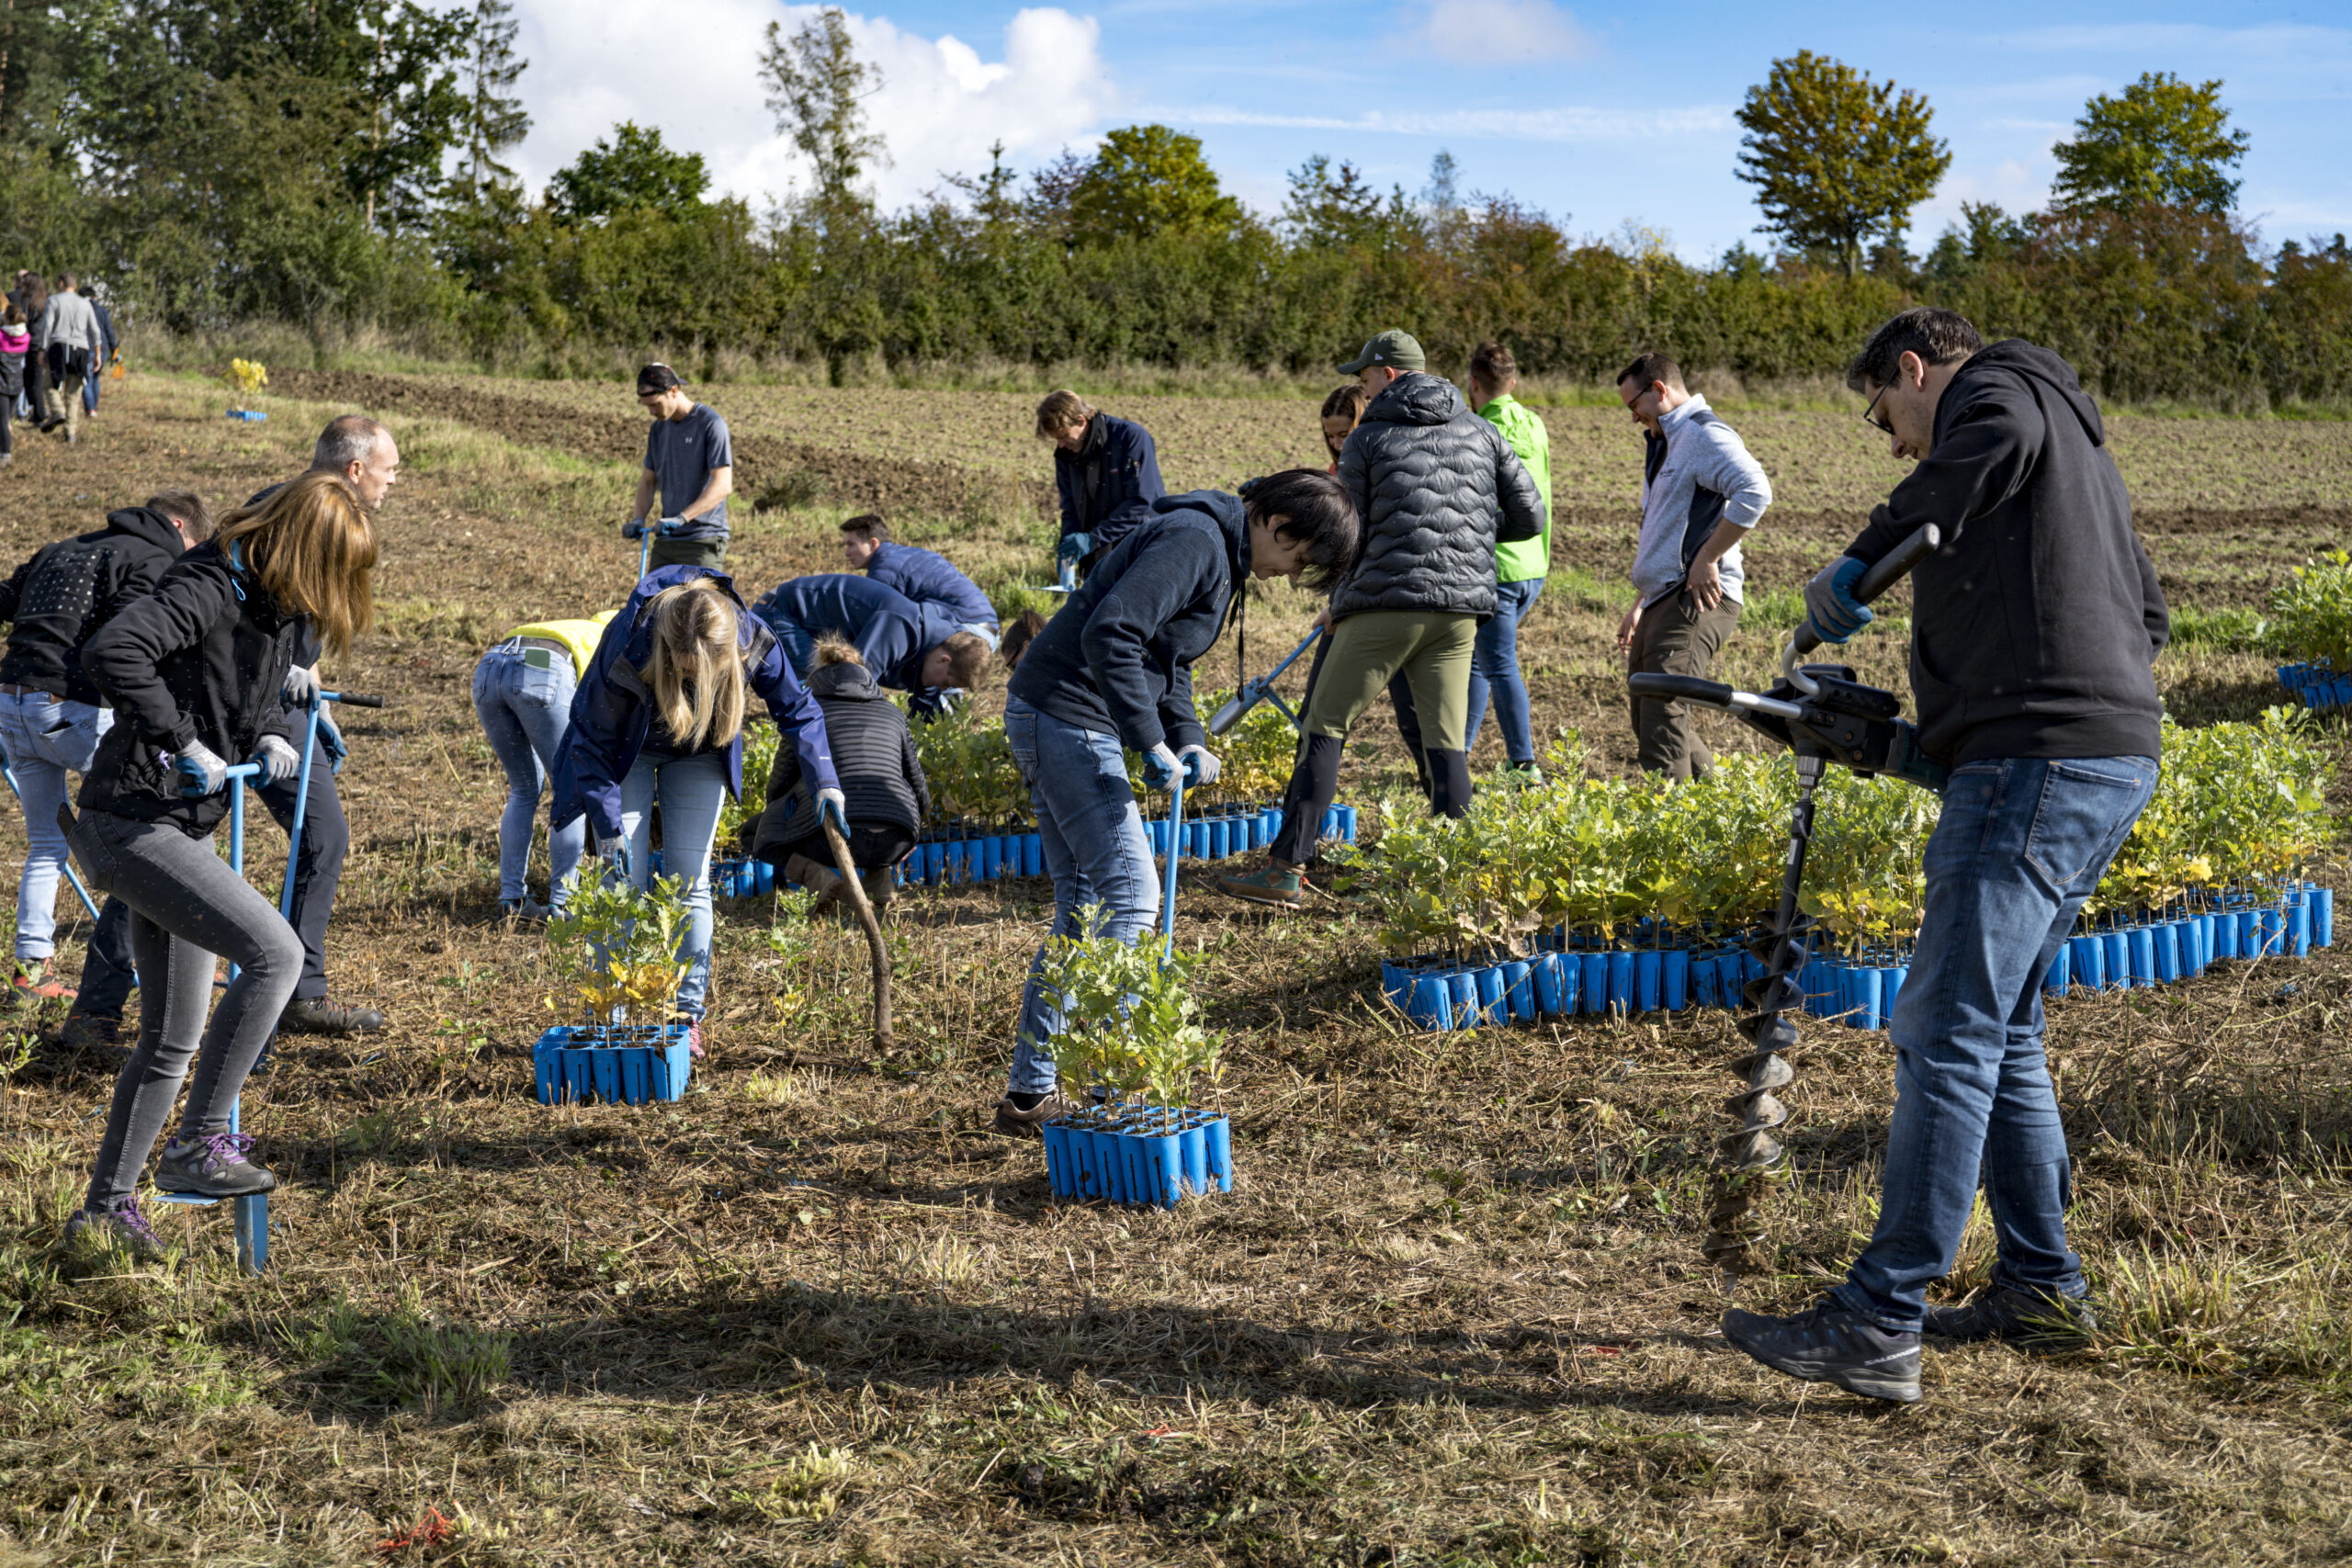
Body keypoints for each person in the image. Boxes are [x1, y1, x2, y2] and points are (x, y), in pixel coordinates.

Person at [1720, 309, 2168, 1404]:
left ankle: (1879, 1314)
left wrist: (1861, 565)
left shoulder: (2000, 395)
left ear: (1913, 370)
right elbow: (2142, 621)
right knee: (2003, 1029)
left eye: (1888, 416)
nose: (1896, 443)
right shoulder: (2080, 454)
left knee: (1943, 1024)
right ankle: (2039, 1285)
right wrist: (1945, 741)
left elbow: (1983, 444)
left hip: (2038, 766)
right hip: (2099, 757)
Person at [61, 472, 377, 1261]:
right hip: (130, 820)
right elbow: (114, 650)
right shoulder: (208, 583)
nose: (336, 592)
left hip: (175, 826)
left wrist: (273, 730)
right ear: (307, 550)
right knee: (275, 953)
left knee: (172, 1039)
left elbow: (247, 691)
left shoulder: (267, 605)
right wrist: (181, 741)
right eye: (335, 569)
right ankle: (200, 1140)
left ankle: (104, 1211)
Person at [995, 470, 1358, 1136]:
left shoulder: (1219, 552)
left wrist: (1184, 736)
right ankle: (1113, 1090)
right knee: (1134, 897)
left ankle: (1030, 1094)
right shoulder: (1196, 541)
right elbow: (1113, 631)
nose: (1288, 573)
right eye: (1298, 558)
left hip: (1057, 711)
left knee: (1084, 905)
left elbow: (1168, 660)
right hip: (1069, 715)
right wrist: (1146, 740)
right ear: (1277, 526)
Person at [1218, 329, 1545, 911]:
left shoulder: (1370, 437)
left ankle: (1286, 869)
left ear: (1388, 374)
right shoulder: (1482, 429)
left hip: (1384, 604)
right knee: (1447, 744)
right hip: (1459, 613)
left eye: (1365, 375)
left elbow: (1348, 527)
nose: (1362, 385)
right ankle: (1460, 878)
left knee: (1325, 723)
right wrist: (1464, 536)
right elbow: (1529, 517)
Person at [552, 569, 843, 1050]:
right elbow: (591, 741)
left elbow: (799, 710)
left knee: (690, 881)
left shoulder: (750, 638)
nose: (691, 679)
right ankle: (612, 1012)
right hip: (629, 751)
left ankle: (686, 1017)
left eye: (700, 672)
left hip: (703, 749)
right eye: (684, 670)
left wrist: (826, 783)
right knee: (620, 879)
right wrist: (607, 832)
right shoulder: (631, 642)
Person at [0, 491, 213, 1032]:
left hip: (11, 702)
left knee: (48, 844)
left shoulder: (61, 548)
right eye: (194, 545)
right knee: (149, 825)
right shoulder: (152, 558)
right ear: (179, 524)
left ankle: (31, 968)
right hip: (72, 707)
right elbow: (127, 638)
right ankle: (118, 984)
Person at [242, 416, 403, 1037]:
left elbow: (302, 617)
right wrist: (275, 700)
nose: (392, 484)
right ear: (355, 469)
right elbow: (250, 615)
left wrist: (315, 688)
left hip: (283, 691)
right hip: (243, 695)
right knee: (172, 840)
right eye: (387, 471)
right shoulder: (288, 513)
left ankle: (299, 990)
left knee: (322, 836)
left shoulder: (314, 513)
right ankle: (295, 993)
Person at [1613, 351, 1772, 780]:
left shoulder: (1703, 434)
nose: (1633, 418)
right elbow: (1666, 532)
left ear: (1660, 390)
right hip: (1663, 597)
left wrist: (1708, 558)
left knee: (1661, 724)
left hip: (1694, 599)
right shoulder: (1666, 444)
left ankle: (1671, 841)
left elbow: (1755, 491)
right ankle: (1725, 805)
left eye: (1634, 406)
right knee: (1650, 718)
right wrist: (1641, 601)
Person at [752, 637, 929, 912]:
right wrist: (913, 828)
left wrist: (781, 814)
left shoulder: (805, 716)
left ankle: (819, 878)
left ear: (818, 673)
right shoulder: (893, 713)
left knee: (755, 832)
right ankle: (881, 884)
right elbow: (919, 787)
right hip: (897, 836)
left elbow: (779, 784)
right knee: (877, 814)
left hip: (833, 840)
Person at [472, 608, 617, 921]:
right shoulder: (615, 639)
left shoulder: (580, 628)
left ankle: (512, 901)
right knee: (571, 790)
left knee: (524, 788)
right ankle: (563, 905)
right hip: (540, 667)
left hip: (491, 664)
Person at [1463, 342, 1554, 784]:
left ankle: (1525, 763)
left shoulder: (1477, 430)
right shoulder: (1534, 423)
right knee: (1482, 660)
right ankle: (1458, 749)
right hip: (1533, 564)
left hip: (1496, 568)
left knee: (1498, 663)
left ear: (1472, 383)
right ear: (1513, 383)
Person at [750, 574, 993, 720]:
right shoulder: (900, 626)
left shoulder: (935, 645)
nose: (943, 688)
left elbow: (924, 702)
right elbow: (853, 683)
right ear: (944, 660)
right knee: (822, 682)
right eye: (947, 683)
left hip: (810, 624)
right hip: (780, 612)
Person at [1037, 389, 1165, 581]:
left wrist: (1093, 539)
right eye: (1056, 439)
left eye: (1063, 436)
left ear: (1081, 421)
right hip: (1098, 552)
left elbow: (1142, 502)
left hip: (1141, 546)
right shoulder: (1065, 455)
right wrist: (1069, 545)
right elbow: (1070, 506)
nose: (1061, 445)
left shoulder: (1130, 438)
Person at [624, 363, 732, 571]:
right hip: (667, 540)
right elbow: (648, 482)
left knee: (696, 603)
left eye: (655, 404)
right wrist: (638, 518)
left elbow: (723, 484)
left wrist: (682, 518)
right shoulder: (658, 429)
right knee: (653, 602)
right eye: (646, 406)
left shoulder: (710, 424)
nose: (651, 412)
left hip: (702, 540)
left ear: (673, 391)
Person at [840, 514, 1000, 644]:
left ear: (873, 543)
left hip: (965, 631)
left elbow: (866, 619)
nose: (846, 553)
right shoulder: (905, 555)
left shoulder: (885, 569)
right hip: (986, 630)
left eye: (851, 544)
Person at [33, 273, 102, 444]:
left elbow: (47, 326)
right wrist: (98, 353)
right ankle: (70, 433)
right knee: (73, 392)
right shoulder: (85, 304)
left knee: (49, 385)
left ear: (61, 283)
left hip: (59, 347)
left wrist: (42, 349)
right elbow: (95, 330)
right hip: (81, 350)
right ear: (75, 286)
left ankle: (57, 411)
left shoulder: (54, 300)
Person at [81, 294, 116, 420]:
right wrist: (115, 350)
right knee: (95, 379)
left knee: (86, 380)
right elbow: (109, 331)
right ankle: (94, 407)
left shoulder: (81, 309)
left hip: (87, 348)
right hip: (103, 348)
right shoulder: (102, 310)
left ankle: (90, 409)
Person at [0, 301, 26, 466]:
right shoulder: (25, 337)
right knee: (6, 419)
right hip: (17, 385)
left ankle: (5, 454)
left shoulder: (1, 337)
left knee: (2, 421)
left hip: (2, 385)